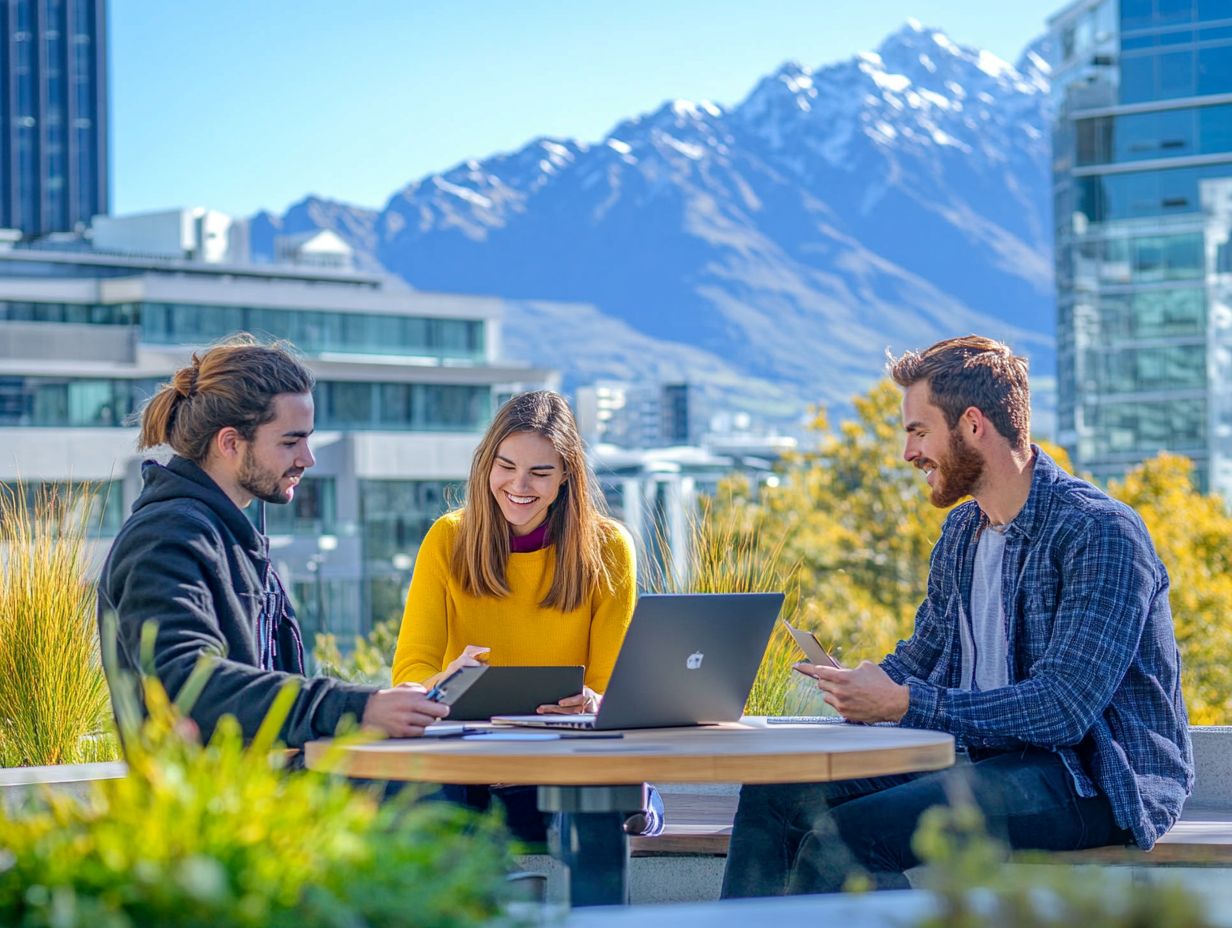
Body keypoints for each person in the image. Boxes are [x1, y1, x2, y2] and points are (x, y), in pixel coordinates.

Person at [721, 335, 1193, 897]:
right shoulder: (964, 533)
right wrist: (863, 685)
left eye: (918, 432)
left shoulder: (1100, 532)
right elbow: (925, 655)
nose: (908, 454)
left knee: (848, 837)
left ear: (973, 425)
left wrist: (904, 701)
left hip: (1087, 777)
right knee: (775, 795)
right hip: (980, 756)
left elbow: (1064, 707)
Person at [98, 335, 448, 753]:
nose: (308, 458)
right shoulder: (166, 537)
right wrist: (356, 707)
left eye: (307, 439)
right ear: (230, 443)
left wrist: (384, 706)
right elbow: (186, 681)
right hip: (212, 809)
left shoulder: (231, 536)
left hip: (271, 792)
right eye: (290, 441)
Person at [392, 390, 656, 839]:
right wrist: (447, 680)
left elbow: (613, 687)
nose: (519, 486)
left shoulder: (609, 548)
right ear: (486, 465)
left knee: (595, 805)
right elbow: (409, 673)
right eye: (506, 467)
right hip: (471, 765)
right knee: (434, 808)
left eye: (539, 472)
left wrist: (593, 701)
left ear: (566, 477)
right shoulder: (447, 539)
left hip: (565, 761)